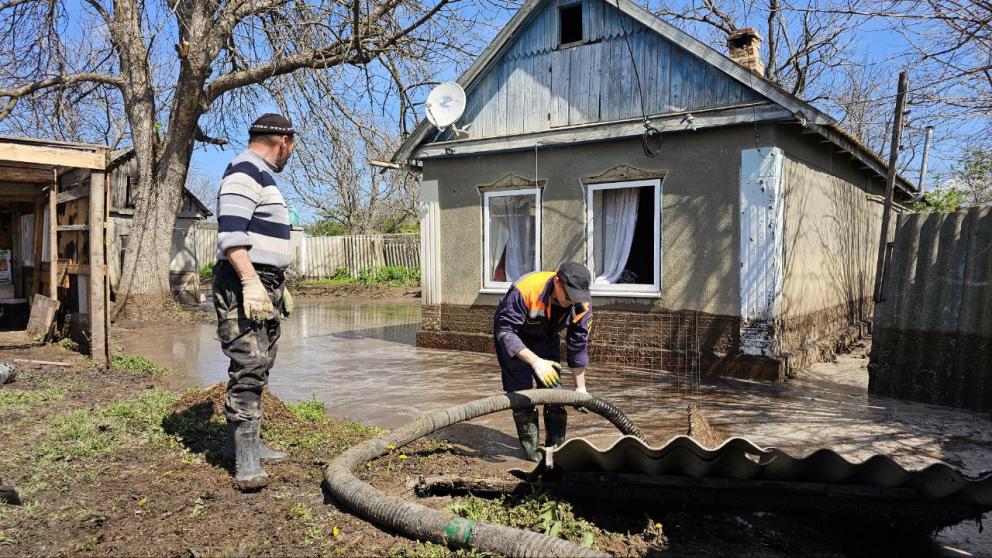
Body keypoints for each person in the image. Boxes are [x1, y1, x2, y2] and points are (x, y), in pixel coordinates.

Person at [213, 113, 296, 490]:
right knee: (250, 361)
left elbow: (261, 236)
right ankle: (246, 463)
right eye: (291, 147)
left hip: (266, 280)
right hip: (246, 279)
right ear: (282, 142)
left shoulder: (260, 174)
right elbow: (231, 235)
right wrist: (249, 281)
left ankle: (241, 447)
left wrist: (279, 282)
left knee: (260, 364)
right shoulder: (244, 171)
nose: (290, 153)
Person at [493, 262, 593, 462]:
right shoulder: (526, 289)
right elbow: (505, 331)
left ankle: (555, 451)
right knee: (521, 392)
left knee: (554, 391)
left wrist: (580, 388)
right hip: (514, 334)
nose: (572, 302)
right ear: (557, 281)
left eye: (576, 298)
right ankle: (532, 452)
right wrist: (536, 362)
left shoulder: (581, 304)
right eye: (568, 296)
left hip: (546, 336)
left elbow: (577, 346)